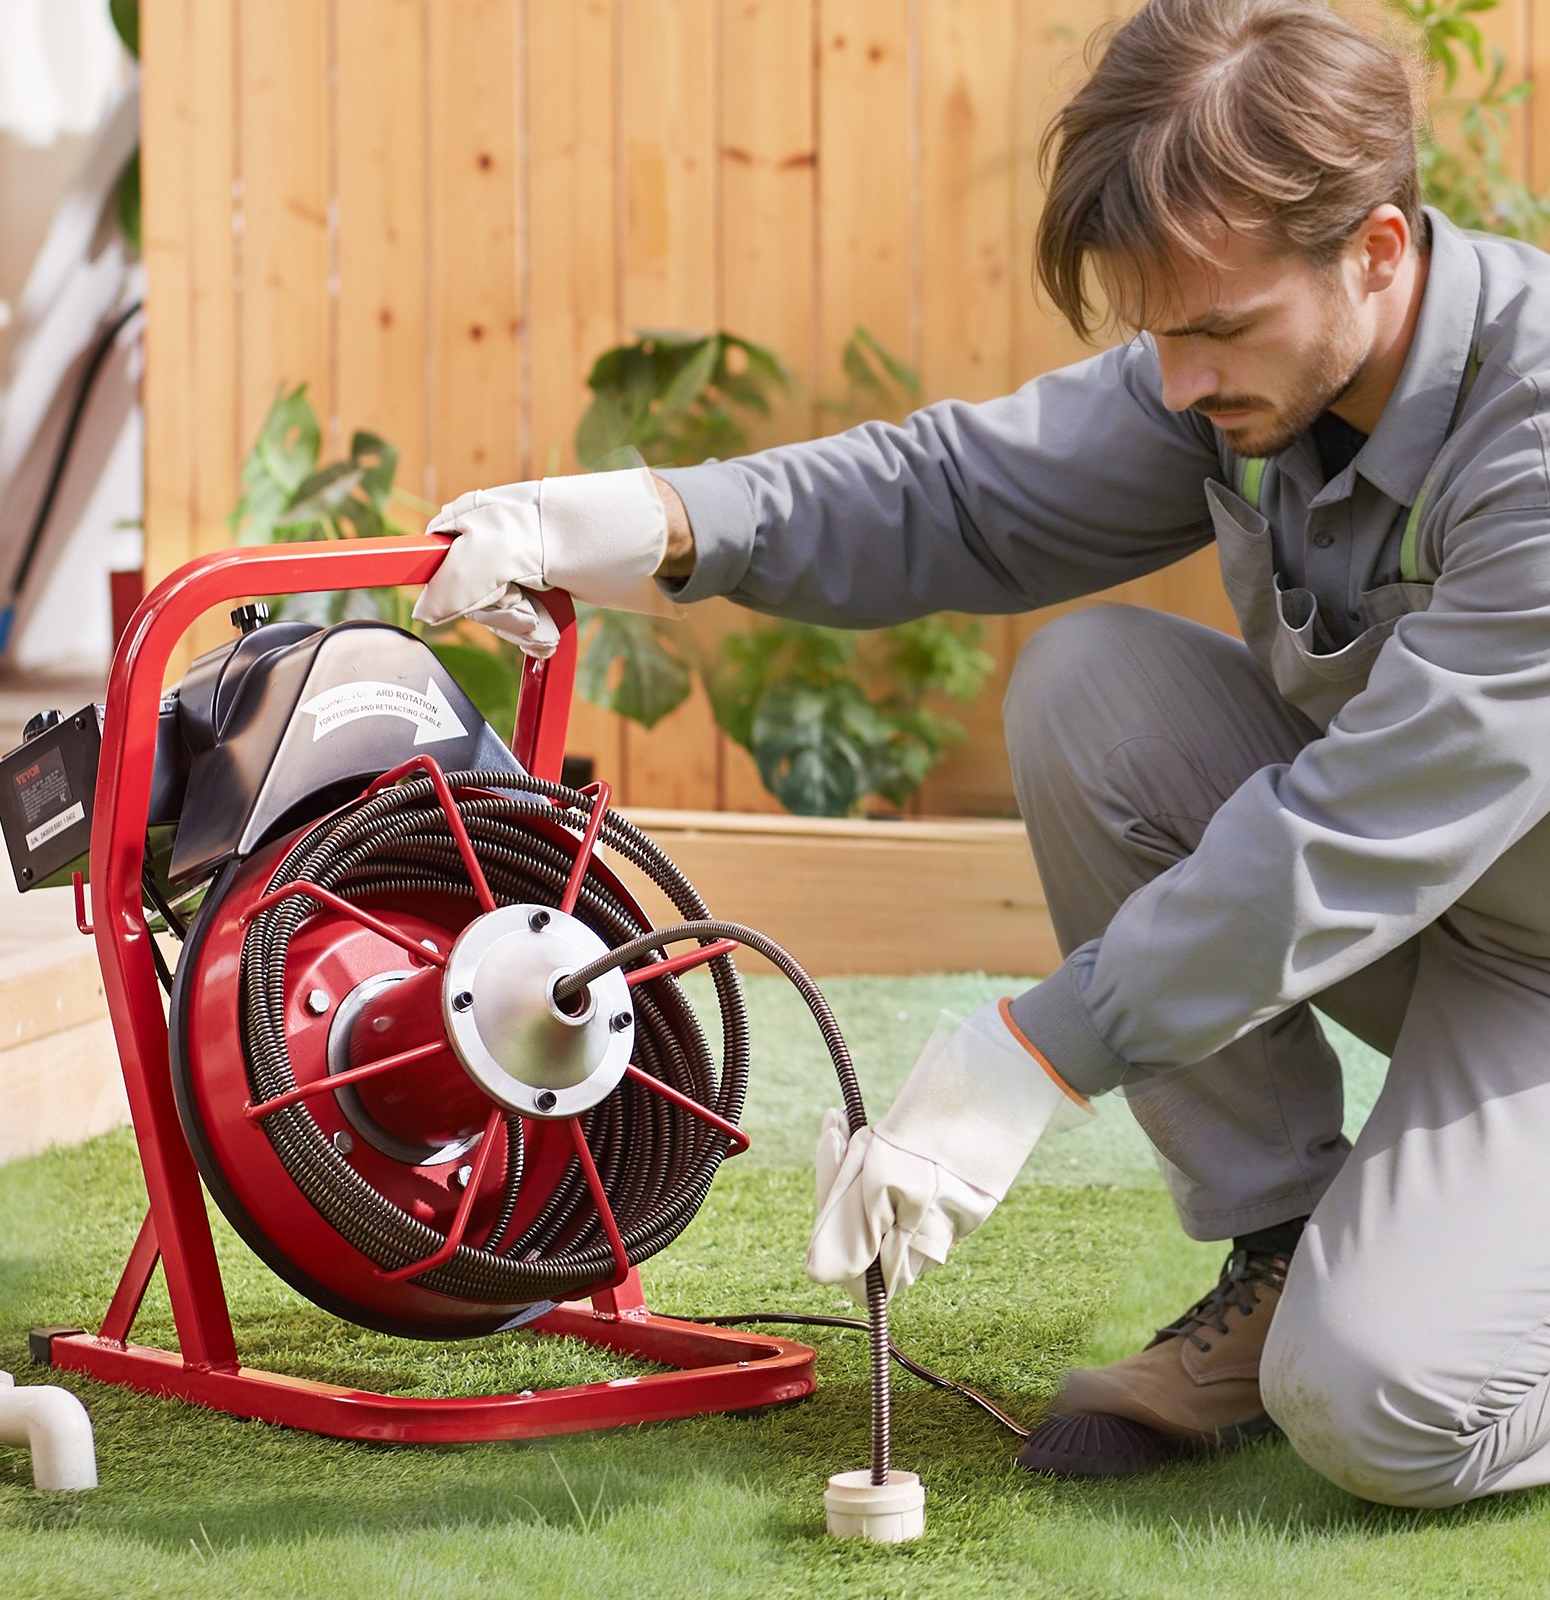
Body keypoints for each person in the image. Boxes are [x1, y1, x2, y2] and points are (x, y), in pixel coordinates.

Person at [413, 0, 1550, 1507]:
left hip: (1501, 939)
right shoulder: (1244, 372)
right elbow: (959, 494)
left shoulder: (1535, 438)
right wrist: (644, 522)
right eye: (1156, 334)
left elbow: (1357, 832)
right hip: (1455, 914)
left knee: (1383, 1407)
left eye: (1215, 331)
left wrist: (1029, 1055)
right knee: (1089, 688)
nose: (1179, 384)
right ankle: (1286, 1246)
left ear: (1381, 251)